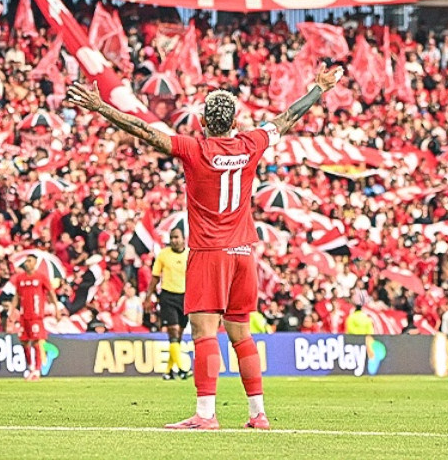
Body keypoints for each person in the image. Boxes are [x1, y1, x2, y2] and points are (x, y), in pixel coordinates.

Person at [65, 63, 344, 431]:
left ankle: (206, 414)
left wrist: (101, 107)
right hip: (244, 253)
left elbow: (143, 130)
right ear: (235, 122)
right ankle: (258, 414)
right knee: (242, 334)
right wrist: (319, 88)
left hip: (210, 252)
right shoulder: (251, 143)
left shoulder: (194, 148)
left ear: (202, 122)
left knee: (204, 332)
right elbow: (288, 117)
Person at [149, 226, 190, 381]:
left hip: (185, 297)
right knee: (173, 331)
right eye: (172, 237)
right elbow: (155, 276)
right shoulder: (163, 255)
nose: (174, 240)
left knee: (178, 335)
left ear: (183, 239)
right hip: (168, 296)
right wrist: (148, 296)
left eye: (176, 237)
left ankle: (168, 371)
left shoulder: (190, 255)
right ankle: (183, 369)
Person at [12, 255, 57, 381]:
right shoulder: (20, 278)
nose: (26, 263)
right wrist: (11, 311)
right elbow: (17, 295)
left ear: (35, 263)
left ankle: (37, 370)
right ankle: (30, 367)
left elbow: (51, 292)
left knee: (36, 341)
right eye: (26, 261)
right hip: (23, 315)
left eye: (29, 261)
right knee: (24, 342)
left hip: (36, 316)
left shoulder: (41, 277)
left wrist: (57, 309)